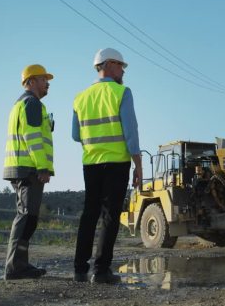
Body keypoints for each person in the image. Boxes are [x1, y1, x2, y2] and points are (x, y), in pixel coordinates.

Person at [72, 48, 142, 284]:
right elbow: (131, 133)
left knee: (89, 214)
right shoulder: (122, 92)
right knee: (110, 216)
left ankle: (80, 269)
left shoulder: (80, 98)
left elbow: (75, 135)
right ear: (110, 64)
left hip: (91, 163)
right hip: (116, 163)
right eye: (122, 65)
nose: (123, 70)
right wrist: (139, 166)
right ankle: (101, 271)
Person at [3, 64, 55, 280]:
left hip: (22, 167)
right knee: (26, 216)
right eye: (44, 79)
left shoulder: (21, 104)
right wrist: (42, 167)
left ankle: (20, 265)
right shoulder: (31, 103)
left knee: (29, 217)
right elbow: (32, 138)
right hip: (28, 169)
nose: (47, 83)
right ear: (31, 81)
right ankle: (15, 267)